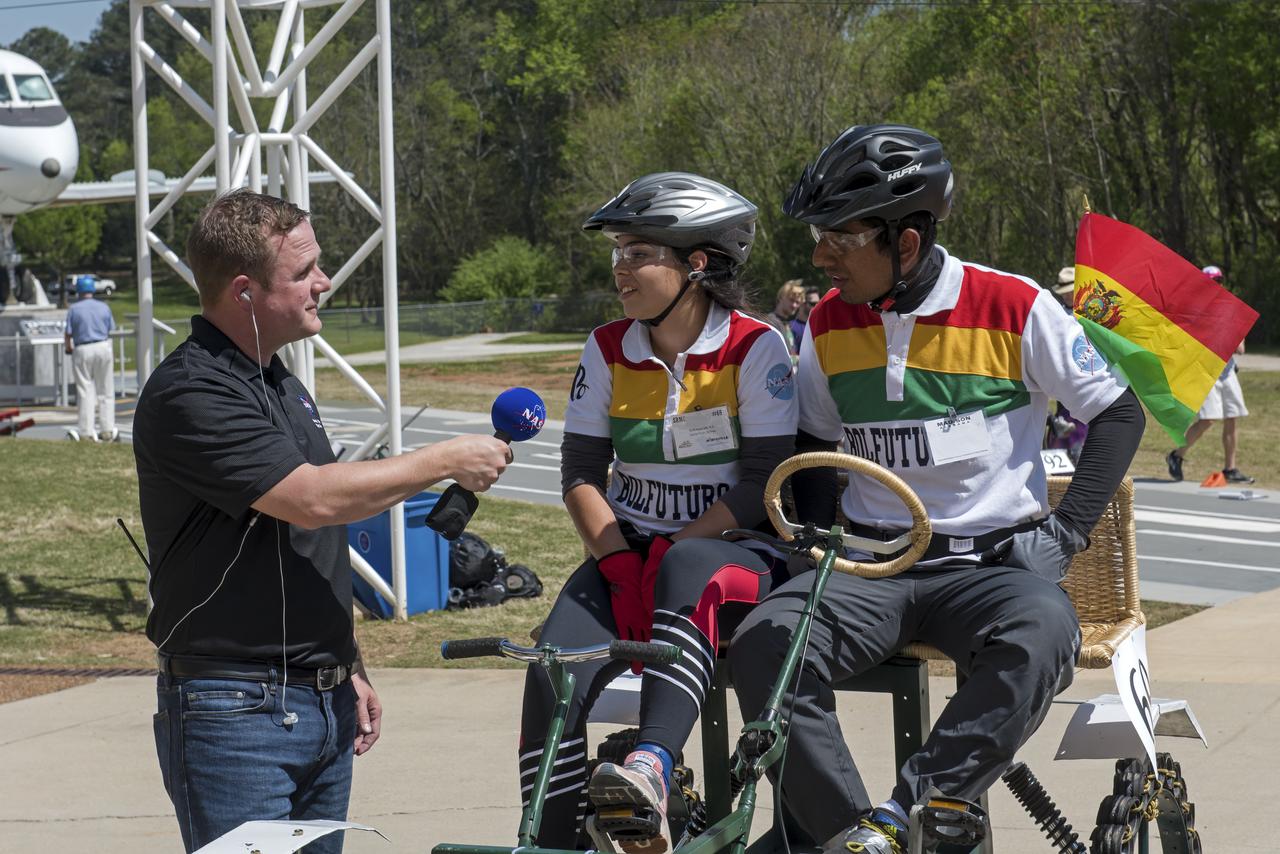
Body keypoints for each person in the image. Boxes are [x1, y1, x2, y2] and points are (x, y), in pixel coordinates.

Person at [727, 124, 1145, 853]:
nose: (820, 256)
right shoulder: (826, 322)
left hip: (988, 571)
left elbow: (1119, 412)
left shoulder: (1012, 305)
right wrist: (812, 538)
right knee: (766, 640)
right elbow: (816, 445)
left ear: (907, 244)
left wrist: (1065, 534)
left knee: (1044, 632)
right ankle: (854, 837)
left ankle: (904, 814)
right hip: (867, 567)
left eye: (838, 238)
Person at [133, 189, 512, 853]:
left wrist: (346, 662)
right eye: (304, 270)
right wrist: (446, 458)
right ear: (245, 291)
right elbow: (312, 499)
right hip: (237, 712)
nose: (324, 281)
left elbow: (314, 534)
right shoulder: (192, 391)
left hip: (318, 700)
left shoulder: (278, 382)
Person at [520, 172, 797, 852]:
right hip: (631, 552)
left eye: (638, 252)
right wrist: (616, 559)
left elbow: (763, 482)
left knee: (695, 566)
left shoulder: (755, 347)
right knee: (549, 667)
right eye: (616, 252)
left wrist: (671, 553)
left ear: (696, 264)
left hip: (735, 551)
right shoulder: (610, 346)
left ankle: (650, 772)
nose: (620, 268)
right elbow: (580, 474)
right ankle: (548, 841)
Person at [1165, 265, 1253, 484]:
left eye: (1219, 281)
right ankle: (1176, 455)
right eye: (1211, 281)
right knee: (1209, 419)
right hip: (1206, 372)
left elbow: (1240, 348)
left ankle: (1230, 469)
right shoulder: (1195, 311)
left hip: (1227, 371)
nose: (1216, 285)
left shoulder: (1229, 308)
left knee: (1232, 417)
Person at [63, 274, 117, 442]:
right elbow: (110, 329)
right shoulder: (104, 307)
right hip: (103, 346)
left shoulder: (74, 309)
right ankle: (107, 430)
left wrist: (68, 348)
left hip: (83, 349)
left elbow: (68, 334)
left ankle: (86, 432)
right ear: (92, 289)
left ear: (78, 291)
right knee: (106, 390)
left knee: (85, 391)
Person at [1044, 266, 1088, 461]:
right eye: (1064, 293)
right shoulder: (1058, 313)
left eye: (1069, 291)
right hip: (1063, 376)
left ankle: (1078, 454)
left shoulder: (1089, 314)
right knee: (1064, 416)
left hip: (1084, 376)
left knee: (1082, 421)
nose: (1066, 296)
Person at [766, 278, 805, 356]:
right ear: (781, 297)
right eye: (791, 300)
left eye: (797, 302)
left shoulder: (788, 325)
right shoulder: (770, 321)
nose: (794, 305)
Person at [789, 287, 822, 356]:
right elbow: (792, 356)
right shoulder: (791, 327)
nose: (816, 306)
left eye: (818, 303)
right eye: (813, 304)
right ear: (803, 304)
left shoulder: (822, 326)